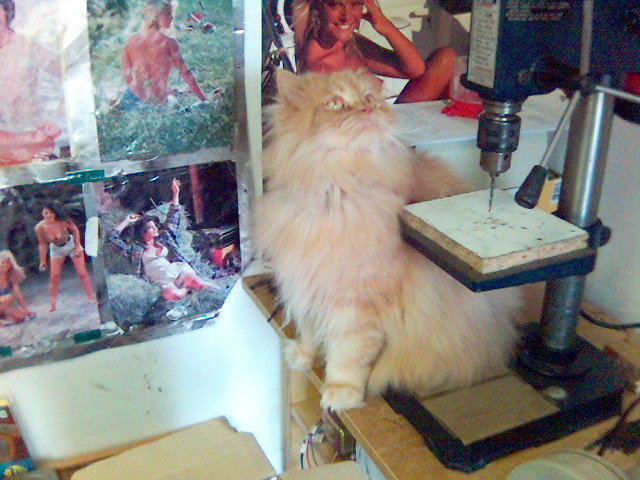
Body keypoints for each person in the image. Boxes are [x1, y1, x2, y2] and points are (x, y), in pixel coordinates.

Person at [292, 0, 456, 102]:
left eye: (356, 4)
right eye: (335, 4)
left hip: (379, 122)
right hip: (363, 136)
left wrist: (386, 28)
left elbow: (416, 70)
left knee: (445, 57)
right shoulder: (320, 65)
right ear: (316, 6)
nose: (347, 16)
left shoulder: (350, 44)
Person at [108, 178, 219, 301]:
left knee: (199, 283)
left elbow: (173, 217)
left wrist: (175, 193)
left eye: (155, 226)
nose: (155, 229)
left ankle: (222, 293)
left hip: (177, 270)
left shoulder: (164, 238)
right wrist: (126, 221)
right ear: (142, 232)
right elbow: (112, 238)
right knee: (173, 295)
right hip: (162, 280)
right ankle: (187, 290)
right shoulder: (136, 249)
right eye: (150, 228)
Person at [0, 0, 64, 163]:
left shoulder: (27, 47)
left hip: (34, 146)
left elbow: (71, 77)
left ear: (5, 11)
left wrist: (57, 121)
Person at [120, 0, 206, 109]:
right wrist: (203, 99)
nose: (172, 18)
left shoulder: (131, 40)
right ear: (156, 16)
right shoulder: (169, 43)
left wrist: (150, 93)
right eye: (168, 14)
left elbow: (127, 75)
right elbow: (186, 74)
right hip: (155, 103)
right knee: (179, 105)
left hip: (130, 98)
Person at [34, 202, 96, 312]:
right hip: (56, 249)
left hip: (70, 245)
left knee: (82, 273)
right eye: (46, 213)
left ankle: (91, 297)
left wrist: (78, 246)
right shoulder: (39, 227)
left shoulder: (62, 221)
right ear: (42, 214)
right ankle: (52, 305)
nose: (48, 215)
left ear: (55, 213)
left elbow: (75, 230)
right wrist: (43, 261)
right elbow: (42, 244)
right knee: (54, 277)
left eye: (51, 213)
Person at [0, 250, 35, 325]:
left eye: (8, 263)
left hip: (2, 306)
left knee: (20, 317)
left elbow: (18, 294)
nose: (5, 265)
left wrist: (26, 310)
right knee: (8, 298)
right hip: (3, 301)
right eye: (3, 263)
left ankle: (4, 317)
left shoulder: (11, 275)